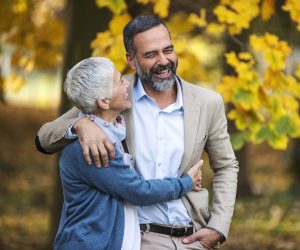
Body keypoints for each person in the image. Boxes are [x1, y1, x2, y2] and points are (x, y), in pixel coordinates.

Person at [36, 15, 239, 249]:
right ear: (131, 60)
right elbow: (44, 136)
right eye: (151, 54)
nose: (164, 61)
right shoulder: (116, 95)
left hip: (194, 238)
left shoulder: (207, 102)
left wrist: (218, 227)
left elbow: (226, 166)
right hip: (139, 238)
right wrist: (80, 125)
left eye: (168, 50)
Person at [54, 56, 203, 250]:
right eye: (119, 81)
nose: (127, 84)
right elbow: (139, 191)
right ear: (104, 102)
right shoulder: (94, 149)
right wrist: (186, 183)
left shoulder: (110, 133)